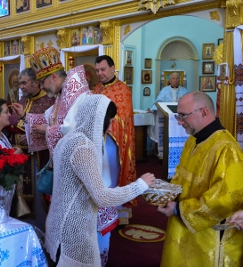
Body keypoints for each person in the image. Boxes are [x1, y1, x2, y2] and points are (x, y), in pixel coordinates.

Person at [46, 94, 155, 266]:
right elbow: (102, 197)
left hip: (60, 221)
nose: (111, 127)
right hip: (75, 228)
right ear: (98, 120)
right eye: (110, 121)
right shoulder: (83, 147)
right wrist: (140, 185)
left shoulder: (68, 139)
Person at [157, 91, 243, 266]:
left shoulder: (227, 149)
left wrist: (179, 209)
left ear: (204, 112)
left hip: (211, 237)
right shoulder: (193, 141)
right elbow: (180, 175)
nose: (179, 121)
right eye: (178, 115)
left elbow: (225, 199)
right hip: (185, 228)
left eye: (183, 116)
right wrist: (167, 194)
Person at [93, 55, 136, 265]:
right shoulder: (96, 89)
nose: (100, 73)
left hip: (113, 143)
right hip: (96, 143)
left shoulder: (122, 89)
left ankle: (115, 213)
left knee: (112, 176)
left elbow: (123, 117)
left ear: (112, 68)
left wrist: (105, 123)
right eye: (97, 70)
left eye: (103, 69)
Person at [11, 46, 90, 155]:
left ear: (53, 77)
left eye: (42, 82)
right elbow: (48, 118)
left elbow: (72, 128)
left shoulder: (75, 92)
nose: (42, 87)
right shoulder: (62, 93)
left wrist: (47, 131)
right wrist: (24, 116)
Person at [4, 68, 55, 229]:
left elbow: (53, 129)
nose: (21, 87)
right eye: (19, 83)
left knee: (40, 200)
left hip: (39, 160)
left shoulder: (49, 102)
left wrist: (30, 134)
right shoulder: (22, 102)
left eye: (24, 83)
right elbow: (11, 124)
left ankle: (42, 232)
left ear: (35, 82)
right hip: (20, 161)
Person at [149, 72, 188, 159]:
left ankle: (181, 153)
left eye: (177, 79)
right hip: (166, 119)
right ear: (169, 81)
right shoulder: (164, 91)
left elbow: (188, 103)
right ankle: (164, 154)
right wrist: (152, 109)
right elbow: (158, 103)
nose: (175, 80)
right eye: (173, 79)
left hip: (180, 119)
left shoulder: (184, 91)